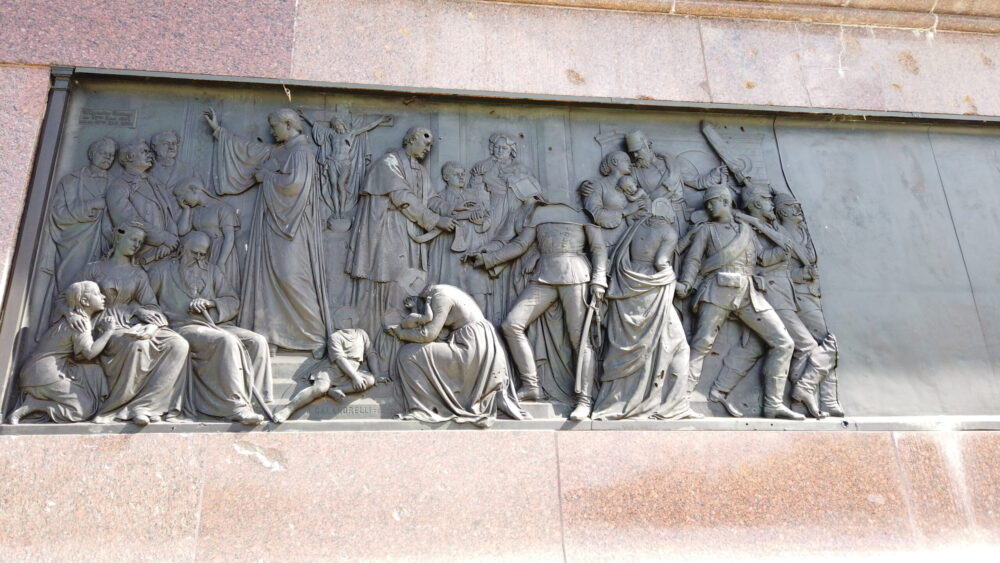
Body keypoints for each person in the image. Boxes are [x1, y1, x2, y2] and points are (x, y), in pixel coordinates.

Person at [467, 192, 607, 421]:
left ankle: (584, 400)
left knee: (580, 340)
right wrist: (488, 259)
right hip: (544, 275)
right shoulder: (539, 214)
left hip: (576, 275)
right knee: (512, 324)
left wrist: (599, 279)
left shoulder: (585, 215)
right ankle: (532, 385)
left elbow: (598, 249)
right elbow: (520, 245)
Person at [205, 107, 330, 357]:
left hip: (291, 226)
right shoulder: (282, 150)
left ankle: (315, 335)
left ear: (288, 124)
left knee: (290, 276)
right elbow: (252, 151)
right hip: (272, 225)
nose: (271, 132)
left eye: (274, 127)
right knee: (268, 278)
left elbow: (295, 186)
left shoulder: (301, 152)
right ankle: (272, 334)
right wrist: (221, 132)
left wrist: (267, 178)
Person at [675, 184, 802, 420]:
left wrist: (781, 247)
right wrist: (685, 283)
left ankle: (773, 404)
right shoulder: (707, 230)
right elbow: (692, 259)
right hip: (717, 289)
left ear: (725, 201)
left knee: (783, 342)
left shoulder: (747, 230)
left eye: (712, 201)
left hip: (748, 292)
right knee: (701, 345)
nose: (709, 207)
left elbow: (762, 259)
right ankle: (679, 403)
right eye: (707, 203)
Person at [705, 186, 827, 418]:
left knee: (753, 346)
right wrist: (781, 252)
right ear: (757, 204)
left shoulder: (771, 227)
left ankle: (719, 391)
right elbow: (758, 260)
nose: (772, 206)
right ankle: (803, 392)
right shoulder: (747, 227)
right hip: (769, 293)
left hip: (779, 291)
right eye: (768, 202)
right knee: (804, 345)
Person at [346, 126, 456, 371]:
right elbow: (402, 197)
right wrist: (434, 220)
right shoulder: (389, 163)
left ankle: (402, 349)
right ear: (410, 140)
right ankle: (377, 349)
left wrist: (454, 210)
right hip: (388, 234)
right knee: (391, 285)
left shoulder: (418, 170)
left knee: (409, 286)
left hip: (409, 235)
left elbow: (430, 199)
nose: (428, 150)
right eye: (425, 144)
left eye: (430, 147)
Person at [592, 200, 700, 420]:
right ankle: (675, 406)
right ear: (669, 214)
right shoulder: (668, 231)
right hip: (653, 288)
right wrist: (675, 282)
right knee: (679, 346)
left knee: (636, 344)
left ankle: (620, 398)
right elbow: (661, 262)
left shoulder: (636, 226)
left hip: (629, 287)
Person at [147, 232, 269, 425]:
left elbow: (232, 301)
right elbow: (147, 302)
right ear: (182, 250)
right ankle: (235, 406)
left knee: (258, 342)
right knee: (225, 341)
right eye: (194, 253)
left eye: (202, 254)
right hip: (182, 327)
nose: (198, 258)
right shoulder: (161, 271)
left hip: (215, 324)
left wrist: (211, 303)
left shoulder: (213, 272)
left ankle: (257, 403)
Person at [79, 225, 189, 425]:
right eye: (133, 240)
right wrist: (75, 318)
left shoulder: (138, 274)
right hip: (107, 325)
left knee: (178, 344)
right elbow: (74, 298)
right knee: (138, 346)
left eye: (140, 242)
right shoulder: (94, 268)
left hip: (134, 324)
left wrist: (152, 325)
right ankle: (119, 407)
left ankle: (149, 405)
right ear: (119, 238)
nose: (137, 245)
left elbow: (151, 306)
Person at [386, 284, 526, 428]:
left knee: (408, 354)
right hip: (477, 344)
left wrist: (400, 333)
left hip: (471, 349)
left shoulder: (440, 297)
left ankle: (425, 408)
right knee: (416, 353)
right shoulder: (445, 292)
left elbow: (428, 334)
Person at [775, 192, 842, 416]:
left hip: (812, 294)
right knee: (825, 343)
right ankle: (807, 390)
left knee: (817, 345)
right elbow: (773, 271)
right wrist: (801, 274)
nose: (799, 211)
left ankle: (826, 401)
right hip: (797, 294)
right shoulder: (780, 233)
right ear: (783, 211)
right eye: (794, 207)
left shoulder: (802, 231)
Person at [8, 281, 112, 424]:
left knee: (94, 372)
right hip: (43, 376)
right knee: (83, 409)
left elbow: (80, 354)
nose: (103, 297)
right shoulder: (80, 323)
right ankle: (34, 405)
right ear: (85, 301)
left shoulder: (68, 317)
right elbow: (89, 353)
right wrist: (109, 331)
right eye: (97, 293)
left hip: (38, 372)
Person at [471, 133, 541, 323]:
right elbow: (475, 192)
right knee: (494, 247)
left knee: (510, 256)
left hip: (516, 212)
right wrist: (477, 177)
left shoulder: (521, 170)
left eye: (504, 148)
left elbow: (533, 192)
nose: (499, 151)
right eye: (497, 148)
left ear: (512, 150)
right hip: (492, 213)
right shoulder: (485, 167)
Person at [298, 110, 392, 225]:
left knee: (340, 185)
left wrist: (381, 120)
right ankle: (336, 211)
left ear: (343, 124)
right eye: (335, 125)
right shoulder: (332, 134)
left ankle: (342, 211)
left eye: (338, 124)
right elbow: (316, 125)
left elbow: (368, 127)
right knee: (333, 185)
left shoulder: (351, 134)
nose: (337, 127)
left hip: (345, 163)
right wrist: (305, 115)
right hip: (332, 161)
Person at [47, 137, 117, 293]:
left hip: (104, 246)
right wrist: (91, 205)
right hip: (74, 245)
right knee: (70, 288)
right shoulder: (71, 181)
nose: (108, 158)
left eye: (111, 155)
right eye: (103, 153)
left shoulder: (116, 184)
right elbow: (59, 215)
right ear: (91, 154)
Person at [272, 328, 384, 423]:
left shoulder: (361, 333)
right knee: (320, 388)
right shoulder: (335, 337)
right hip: (332, 370)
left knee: (370, 380)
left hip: (353, 370)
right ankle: (288, 409)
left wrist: (377, 374)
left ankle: (337, 390)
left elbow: (371, 354)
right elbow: (339, 359)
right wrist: (355, 377)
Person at [427, 162, 492, 310]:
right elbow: (434, 216)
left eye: (463, 174)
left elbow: (488, 219)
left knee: (477, 290)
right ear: (446, 177)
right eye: (456, 174)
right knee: (450, 290)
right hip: (448, 249)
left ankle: (479, 326)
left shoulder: (472, 196)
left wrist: (481, 222)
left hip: (473, 246)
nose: (461, 177)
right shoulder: (439, 198)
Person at [105, 139, 180, 266]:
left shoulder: (155, 183)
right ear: (129, 157)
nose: (150, 154)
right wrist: (164, 238)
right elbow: (129, 221)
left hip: (163, 253)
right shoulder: (119, 186)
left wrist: (171, 241)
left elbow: (169, 214)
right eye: (144, 151)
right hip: (139, 254)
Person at [173, 178, 241, 289]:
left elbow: (229, 237)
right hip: (202, 252)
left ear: (193, 189)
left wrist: (221, 261)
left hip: (220, 251)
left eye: (182, 195)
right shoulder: (195, 211)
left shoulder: (223, 208)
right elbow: (182, 231)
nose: (181, 200)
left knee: (221, 286)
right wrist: (186, 210)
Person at [625, 130, 690, 235]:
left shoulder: (672, 164)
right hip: (657, 220)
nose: (635, 155)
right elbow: (624, 188)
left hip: (680, 217)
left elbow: (697, 182)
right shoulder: (635, 172)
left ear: (649, 145)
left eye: (637, 150)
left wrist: (716, 174)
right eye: (632, 153)